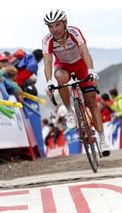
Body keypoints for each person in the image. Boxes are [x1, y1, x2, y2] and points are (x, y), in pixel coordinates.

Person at [42, 9, 110, 156]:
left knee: (92, 103)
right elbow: (48, 62)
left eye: (57, 25)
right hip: (63, 67)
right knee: (60, 78)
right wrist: (48, 81)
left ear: (65, 23)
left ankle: (102, 139)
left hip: (80, 66)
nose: (54, 29)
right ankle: (70, 111)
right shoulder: (47, 41)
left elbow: (85, 52)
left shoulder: (74, 32)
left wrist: (91, 70)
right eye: (50, 26)